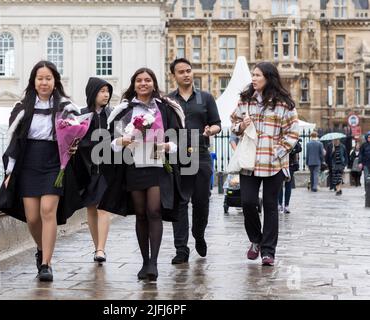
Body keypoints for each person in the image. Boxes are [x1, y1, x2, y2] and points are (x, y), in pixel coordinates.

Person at [0, 60, 81, 282]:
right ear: (34, 81)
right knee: (32, 218)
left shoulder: (66, 107)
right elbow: (14, 142)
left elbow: (76, 136)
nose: (44, 82)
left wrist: (74, 143)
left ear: (55, 81)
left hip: (54, 161)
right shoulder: (22, 108)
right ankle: (42, 249)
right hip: (28, 163)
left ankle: (46, 264)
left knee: (47, 210)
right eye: (40, 78)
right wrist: (9, 172)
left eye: (48, 78)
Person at [98, 67, 184, 281]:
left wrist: (167, 146)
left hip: (157, 165)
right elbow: (112, 141)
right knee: (141, 213)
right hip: (134, 165)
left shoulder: (166, 108)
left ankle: (154, 263)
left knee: (154, 210)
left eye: (147, 80)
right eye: (139, 80)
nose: (143, 83)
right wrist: (122, 141)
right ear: (133, 84)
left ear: (154, 83)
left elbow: (180, 139)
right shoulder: (125, 110)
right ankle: (144, 261)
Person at [230, 62, 299, 266]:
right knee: (248, 203)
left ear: (268, 77)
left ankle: (268, 252)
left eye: (257, 75)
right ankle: (255, 240)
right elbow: (233, 124)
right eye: (252, 74)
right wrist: (241, 125)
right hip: (249, 162)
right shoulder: (245, 101)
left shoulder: (284, 104)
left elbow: (293, 132)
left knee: (270, 206)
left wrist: (278, 152)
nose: (253, 78)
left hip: (273, 164)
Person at [167, 58, 221, 264]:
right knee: (179, 203)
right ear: (174, 76)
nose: (186, 74)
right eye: (181, 72)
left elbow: (217, 124)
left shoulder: (205, 98)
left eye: (188, 70)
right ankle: (181, 249)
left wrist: (211, 130)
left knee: (201, 201)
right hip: (177, 155)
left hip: (201, 153)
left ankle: (198, 234)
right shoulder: (168, 101)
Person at [73, 77, 114, 263]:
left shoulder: (112, 115)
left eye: (107, 91)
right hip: (86, 168)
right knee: (91, 208)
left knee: (104, 207)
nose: (106, 95)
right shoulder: (81, 115)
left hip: (106, 168)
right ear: (92, 93)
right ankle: (97, 247)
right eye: (102, 91)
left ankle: (101, 249)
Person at [278, 139, 301, 213]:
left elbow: (299, 148)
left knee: (288, 184)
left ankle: (286, 205)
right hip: (280, 163)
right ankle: (280, 204)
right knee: (280, 184)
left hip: (290, 164)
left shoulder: (292, 138)